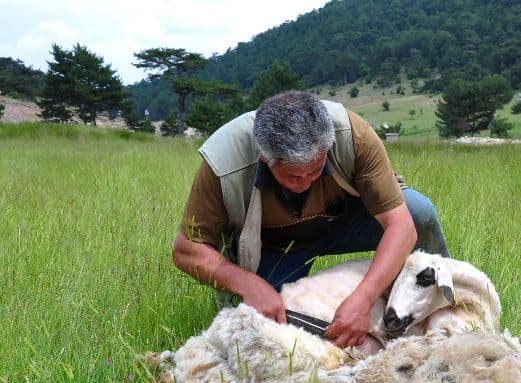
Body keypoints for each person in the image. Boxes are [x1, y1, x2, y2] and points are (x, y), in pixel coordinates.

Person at [173, 91, 449, 349]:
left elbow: (400, 226)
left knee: (418, 211)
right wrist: (249, 284)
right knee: (267, 330)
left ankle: (445, 311)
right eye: (293, 176)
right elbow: (187, 250)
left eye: (316, 170)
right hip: (277, 245)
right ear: (264, 156)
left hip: (344, 221)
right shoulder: (224, 162)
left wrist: (364, 297)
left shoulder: (352, 135)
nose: (305, 182)